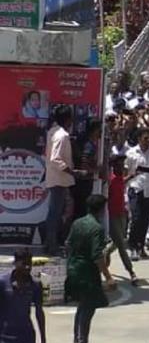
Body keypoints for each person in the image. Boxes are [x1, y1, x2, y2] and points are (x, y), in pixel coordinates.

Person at [65, 195, 116, 343]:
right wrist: (108, 277)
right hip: (87, 273)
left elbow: (68, 244)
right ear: (101, 210)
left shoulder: (77, 223)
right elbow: (97, 256)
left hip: (73, 268)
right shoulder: (96, 228)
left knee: (81, 308)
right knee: (87, 309)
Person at [43, 105, 82, 255]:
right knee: (55, 213)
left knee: (55, 212)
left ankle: (50, 243)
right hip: (59, 179)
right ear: (68, 119)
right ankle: (52, 246)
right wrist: (72, 172)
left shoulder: (53, 132)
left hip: (56, 178)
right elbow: (55, 158)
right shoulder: (61, 135)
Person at [0, 249, 46, 343]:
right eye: (24, 264)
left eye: (29, 264)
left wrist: (43, 340)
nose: (27, 267)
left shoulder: (35, 285)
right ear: (15, 263)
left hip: (27, 342)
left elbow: (39, 313)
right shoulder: (2, 283)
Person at [125, 128, 149, 260]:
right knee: (136, 218)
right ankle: (133, 246)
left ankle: (140, 246)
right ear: (139, 138)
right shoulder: (131, 153)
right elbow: (125, 171)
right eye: (146, 138)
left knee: (145, 220)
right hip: (135, 189)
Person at [105, 155, 138, 285]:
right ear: (114, 166)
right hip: (112, 215)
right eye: (119, 164)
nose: (122, 166)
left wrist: (131, 176)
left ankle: (106, 252)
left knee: (120, 240)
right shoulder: (110, 180)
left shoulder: (118, 178)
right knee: (122, 245)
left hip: (122, 214)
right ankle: (131, 272)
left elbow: (122, 182)